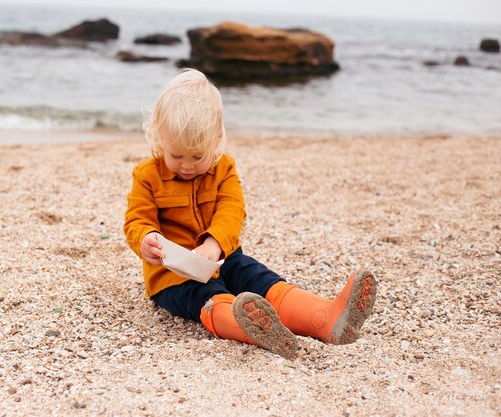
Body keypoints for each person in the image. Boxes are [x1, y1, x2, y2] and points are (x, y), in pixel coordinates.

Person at [123, 68, 376, 359]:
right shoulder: (147, 175)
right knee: (206, 297)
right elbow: (136, 219)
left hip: (224, 257)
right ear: (160, 140)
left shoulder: (224, 168)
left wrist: (214, 243)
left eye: (198, 156)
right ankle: (252, 329)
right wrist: (146, 239)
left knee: (262, 281)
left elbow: (233, 209)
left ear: (217, 140)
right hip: (172, 275)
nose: (188, 165)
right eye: (176, 156)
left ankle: (325, 317)